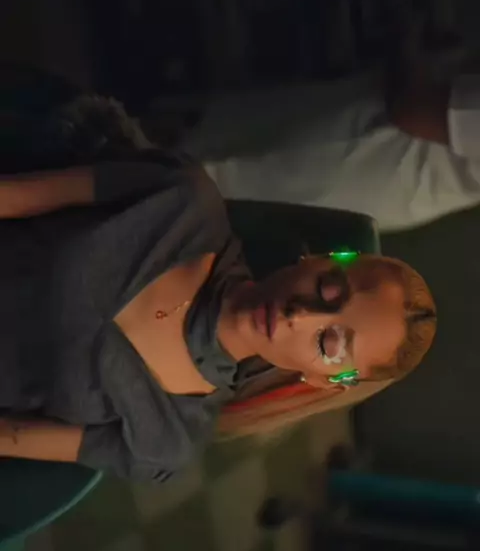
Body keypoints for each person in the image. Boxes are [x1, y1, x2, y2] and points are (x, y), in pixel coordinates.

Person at [0, 154, 435, 482]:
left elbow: (10, 436)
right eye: (330, 288)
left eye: (330, 342)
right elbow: (15, 195)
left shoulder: (167, 440)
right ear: (320, 258)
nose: (299, 316)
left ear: (323, 379)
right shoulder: (182, 201)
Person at [183, 50, 480, 234]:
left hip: (360, 154)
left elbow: (413, 109)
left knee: (205, 164)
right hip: (378, 177)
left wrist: (411, 43)